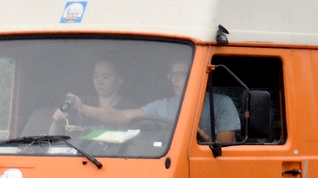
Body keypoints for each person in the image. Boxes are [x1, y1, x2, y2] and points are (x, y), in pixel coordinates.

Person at [65, 60, 239, 144]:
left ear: (198, 74)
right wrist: (82, 108)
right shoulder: (161, 106)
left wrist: (199, 137)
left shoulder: (222, 104)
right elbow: (122, 116)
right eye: (172, 75)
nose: (174, 80)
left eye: (181, 74)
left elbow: (223, 147)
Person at [52, 59, 137, 132]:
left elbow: (125, 137)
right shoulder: (82, 102)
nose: (99, 81)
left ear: (120, 80)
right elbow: (53, 138)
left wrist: (86, 132)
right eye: (96, 76)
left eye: (106, 77)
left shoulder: (129, 109)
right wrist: (57, 120)